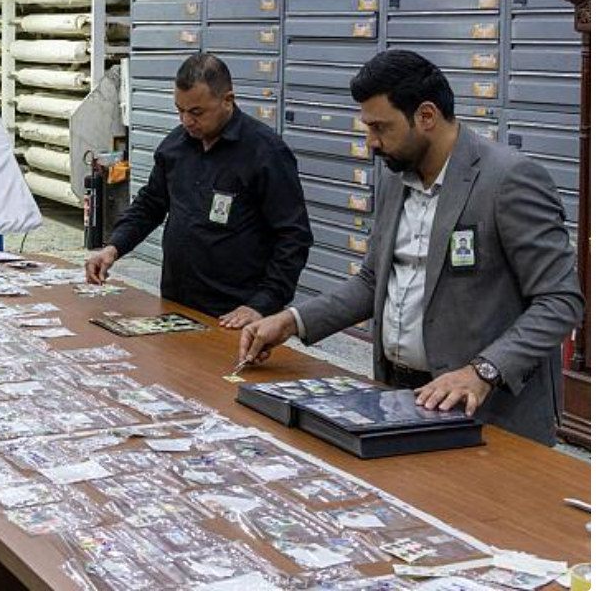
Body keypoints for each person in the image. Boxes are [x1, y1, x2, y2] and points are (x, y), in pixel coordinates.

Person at [239, 49, 584, 445]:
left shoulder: (509, 179)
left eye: (380, 127)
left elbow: (560, 301)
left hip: (490, 414)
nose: (371, 142)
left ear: (426, 116)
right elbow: (373, 281)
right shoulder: (396, 175)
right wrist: (291, 321)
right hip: (400, 398)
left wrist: (483, 371)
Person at [85, 53, 312, 328]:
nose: (186, 121)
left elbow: (293, 237)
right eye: (179, 110)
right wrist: (113, 247)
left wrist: (262, 304)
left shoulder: (266, 153)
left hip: (235, 314)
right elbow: (150, 205)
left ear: (227, 100)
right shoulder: (175, 146)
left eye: (196, 112)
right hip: (176, 303)